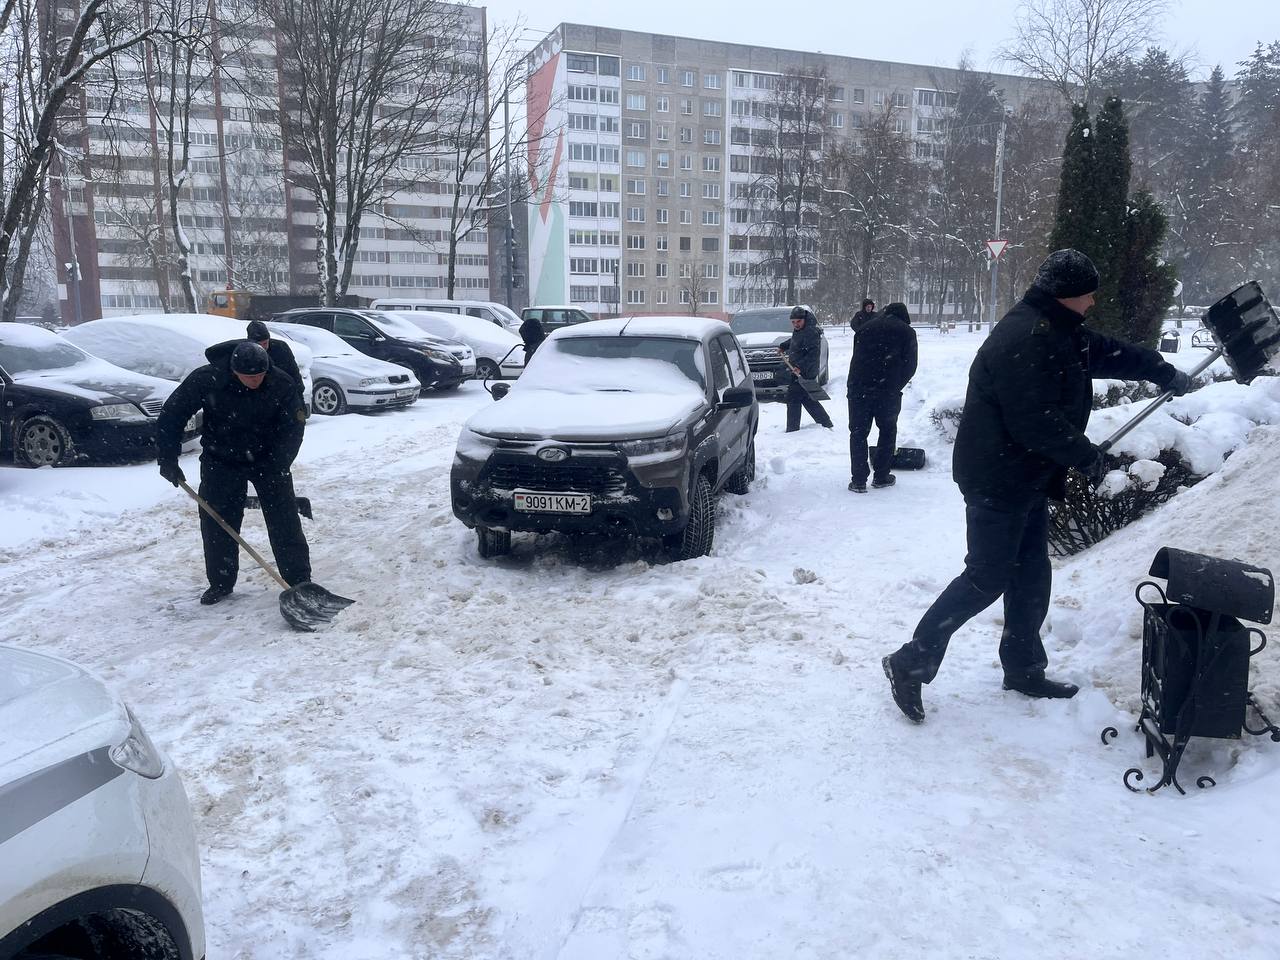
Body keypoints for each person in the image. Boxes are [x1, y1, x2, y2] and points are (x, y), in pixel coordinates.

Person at [881, 249, 1194, 723]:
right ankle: (910, 661)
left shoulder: (1059, 329)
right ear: (1067, 295)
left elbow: (1106, 352)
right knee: (987, 576)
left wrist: (1160, 370)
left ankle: (1024, 668)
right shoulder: (1027, 337)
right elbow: (1033, 420)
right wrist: (1085, 455)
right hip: (996, 477)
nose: (1093, 302)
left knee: (1030, 574)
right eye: (1088, 294)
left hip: (1023, 475)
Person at [156, 340, 312, 606]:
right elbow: (173, 413)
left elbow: (293, 429)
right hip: (221, 459)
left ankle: (299, 580)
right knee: (218, 521)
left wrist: (279, 462)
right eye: (249, 377)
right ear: (234, 370)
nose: (255, 381)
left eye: (260, 375)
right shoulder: (208, 378)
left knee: (284, 519)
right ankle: (220, 582)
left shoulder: (281, 382)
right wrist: (167, 457)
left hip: (269, 459)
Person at [847, 302, 918, 493]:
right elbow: (910, 366)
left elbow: (856, 358)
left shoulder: (865, 328)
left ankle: (858, 480)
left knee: (858, 433)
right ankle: (881, 476)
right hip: (887, 391)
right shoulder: (907, 332)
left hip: (859, 388)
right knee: (887, 431)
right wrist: (894, 385)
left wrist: (857, 385)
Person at [778, 305, 833, 432]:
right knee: (807, 398)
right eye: (793, 322)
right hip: (798, 370)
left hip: (805, 371)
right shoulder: (801, 330)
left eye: (798, 321)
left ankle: (792, 429)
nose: (796, 324)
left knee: (793, 398)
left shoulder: (810, 332)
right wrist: (783, 346)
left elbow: (812, 355)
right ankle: (825, 422)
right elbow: (795, 341)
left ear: (804, 319)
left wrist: (800, 367)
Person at [246, 319, 304, 404]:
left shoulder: (281, 348)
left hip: (282, 395)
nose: (262, 347)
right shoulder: (245, 354)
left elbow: (294, 373)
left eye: (265, 343)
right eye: (259, 344)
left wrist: (299, 397)